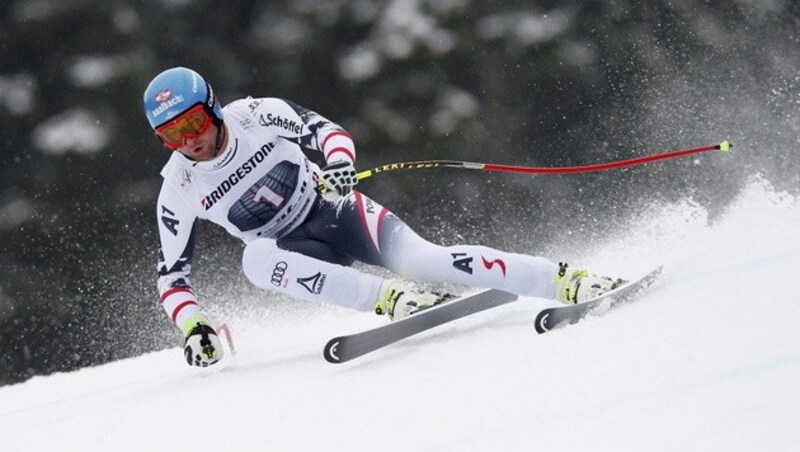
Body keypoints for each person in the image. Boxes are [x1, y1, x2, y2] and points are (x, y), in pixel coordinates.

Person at [143, 67, 622, 367]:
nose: (189, 141)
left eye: (194, 124)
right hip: (298, 252)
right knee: (256, 261)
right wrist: (194, 326)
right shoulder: (178, 188)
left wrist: (339, 166)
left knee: (425, 260)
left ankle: (566, 279)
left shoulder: (256, 116)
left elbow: (325, 130)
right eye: (171, 134)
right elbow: (172, 277)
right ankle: (394, 300)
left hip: (336, 211)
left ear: (213, 108)